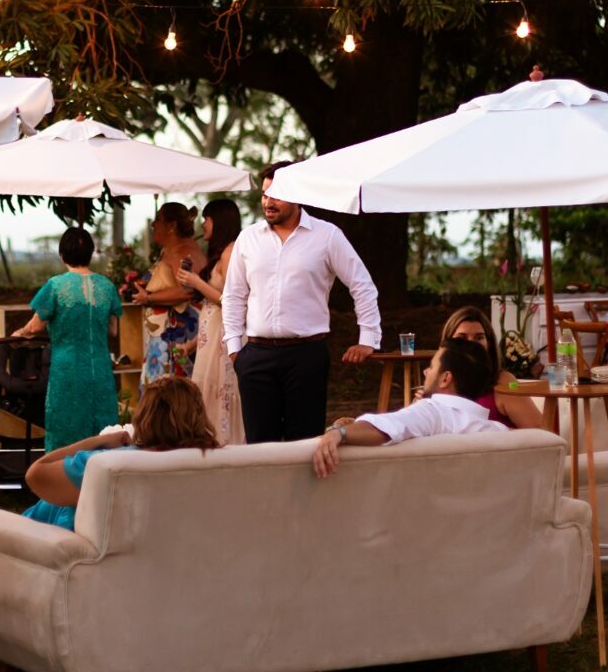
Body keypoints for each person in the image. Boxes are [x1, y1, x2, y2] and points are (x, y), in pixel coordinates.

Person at [222, 162, 381, 442]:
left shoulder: (327, 236)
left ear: (299, 195)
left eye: (277, 195)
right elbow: (234, 295)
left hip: (307, 357)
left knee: (305, 445)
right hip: (256, 357)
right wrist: (235, 349)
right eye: (265, 195)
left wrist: (368, 337)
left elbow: (362, 284)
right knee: (260, 447)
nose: (268, 202)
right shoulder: (248, 238)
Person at [24, 376, 219, 531]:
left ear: (145, 416)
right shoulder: (217, 463)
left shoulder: (109, 463)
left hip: (60, 548)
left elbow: (35, 475)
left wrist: (99, 441)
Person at [313, 338, 506, 478]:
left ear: (445, 378)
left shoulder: (433, 412)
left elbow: (389, 426)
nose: (426, 372)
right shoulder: (501, 433)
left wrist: (338, 432)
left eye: (431, 367)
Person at [11, 226, 123, 449]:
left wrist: (18, 334)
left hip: (67, 370)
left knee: (66, 428)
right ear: (91, 253)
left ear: (62, 255)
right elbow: (113, 331)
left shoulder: (55, 286)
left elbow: (34, 327)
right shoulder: (107, 287)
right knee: (101, 427)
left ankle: (64, 470)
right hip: (100, 369)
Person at [177, 199, 245, 445]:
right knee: (207, 398)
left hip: (224, 344)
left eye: (206, 219)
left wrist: (196, 282)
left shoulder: (231, 252)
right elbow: (212, 309)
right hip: (211, 342)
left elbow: (231, 301)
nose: (203, 224)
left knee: (221, 396)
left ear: (219, 221)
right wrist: (192, 345)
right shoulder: (220, 254)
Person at [439, 306, 543, 430]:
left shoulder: (504, 382)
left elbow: (541, 432)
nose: (471, 344)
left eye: (479, 338)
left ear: (489, 344)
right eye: (462, 338)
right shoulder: (439, 385)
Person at [132, 203, 203, 385]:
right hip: (164, 340)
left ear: (171, 225)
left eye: (158, 219)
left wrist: (148, 298)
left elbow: (187, 290)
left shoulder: (184, 251)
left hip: (177, 338)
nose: (153, 224)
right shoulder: (170, 251)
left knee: (171, 393)